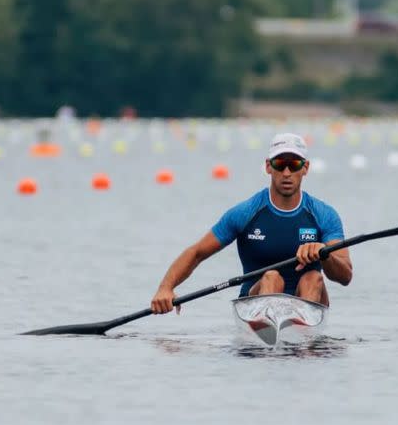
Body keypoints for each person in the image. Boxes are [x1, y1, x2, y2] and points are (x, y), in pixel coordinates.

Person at [150, 132, 352, 314]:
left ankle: (301, 334)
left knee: (313, 277)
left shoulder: (324, 215)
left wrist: (324, 254)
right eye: (280, 164)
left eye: (295, 164)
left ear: (305, 168)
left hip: (308, 298)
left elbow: (345, 276)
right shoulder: (245, 213)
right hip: (256, 301)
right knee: (271, 277)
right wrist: (165, 288)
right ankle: (275, 332)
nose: (287, 172)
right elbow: (197, 253)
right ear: (268, 166)